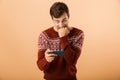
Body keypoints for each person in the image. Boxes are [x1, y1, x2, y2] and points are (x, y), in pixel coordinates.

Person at [37, 2, 84, 80]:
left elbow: (72, 61)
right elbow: (40, 66)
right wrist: (46, 60)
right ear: (52, 19)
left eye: (64, 20)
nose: (61, 25)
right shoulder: (44, 36)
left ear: (68, 16)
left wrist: (63, 37)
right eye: (57, 21)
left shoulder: (78, 34)